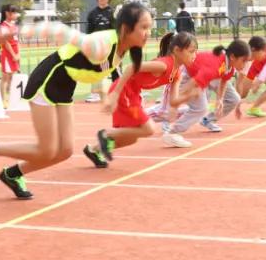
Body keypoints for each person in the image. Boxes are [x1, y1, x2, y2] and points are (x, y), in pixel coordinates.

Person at [0, 2, 154, 199]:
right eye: (144, 27)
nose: (148, 32)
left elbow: (103, 71)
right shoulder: (100, 45)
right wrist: (15, 31)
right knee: (46, 150)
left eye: (149, 27)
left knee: (65, 151)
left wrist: (112, 94)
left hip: (65, 86)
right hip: (47, 80)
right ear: (126, 28)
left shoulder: (125, 49)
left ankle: (13, 174)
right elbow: (57, 30)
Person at [83, 31, 198, 167]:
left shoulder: (176, 73)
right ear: (177, 50)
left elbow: (173, 101)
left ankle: (93, 150)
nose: (194, 56)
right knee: (149, 129)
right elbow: (131, 67)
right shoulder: (163, 65)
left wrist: (187, 96)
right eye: (191, 52)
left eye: (196, 52)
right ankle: (106, 134)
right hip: (123, 91)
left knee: (130, 139)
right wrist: (116, 94)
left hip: (133, 95)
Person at [158, 39, 251, 147]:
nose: (245, 65)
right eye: (243, 61)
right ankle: (170, 129)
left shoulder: (229, 67)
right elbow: (191, 83)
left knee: (200, 108)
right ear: (233, 57)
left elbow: (224, 81)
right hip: (186, 76)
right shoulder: (214, 67)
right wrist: (175, 104)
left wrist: (220, 100)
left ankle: (170, 126)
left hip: (196, 77)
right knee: (200, 108)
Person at [83, 0, 115, 103]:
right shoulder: (92, 13)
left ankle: (117, 92)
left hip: (110, 45)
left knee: (113, 69)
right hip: (96, 46)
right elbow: (89, 31)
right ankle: (95, 94)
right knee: (95, 68)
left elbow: (116, 30)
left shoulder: (112, 13)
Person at [0, 4, 22, 105]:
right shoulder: (3, 26)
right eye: (13, 12)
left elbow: (17, 41)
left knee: (12, 77)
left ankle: (10, 97)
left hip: (15, 53)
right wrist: (13, 55)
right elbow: (5, 42)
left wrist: (18, 54)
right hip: (8, 54)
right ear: (7, 13)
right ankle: (2, 99)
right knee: (5, 77)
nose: (15, 14)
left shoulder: (13, 25)